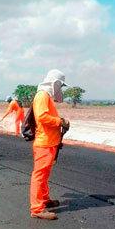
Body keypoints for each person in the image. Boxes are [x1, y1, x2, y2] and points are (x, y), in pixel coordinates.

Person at [30, 69, 70, 220]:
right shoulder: (42, 95)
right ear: (55, 83)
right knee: (39, 175)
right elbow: (42, 117)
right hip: (44, 143)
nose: (61, 89)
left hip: (50, 142)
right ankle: (36, 208)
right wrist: (60, 121)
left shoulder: (46, 96)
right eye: (61, 85)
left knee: (44, 174)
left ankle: (44, 200)